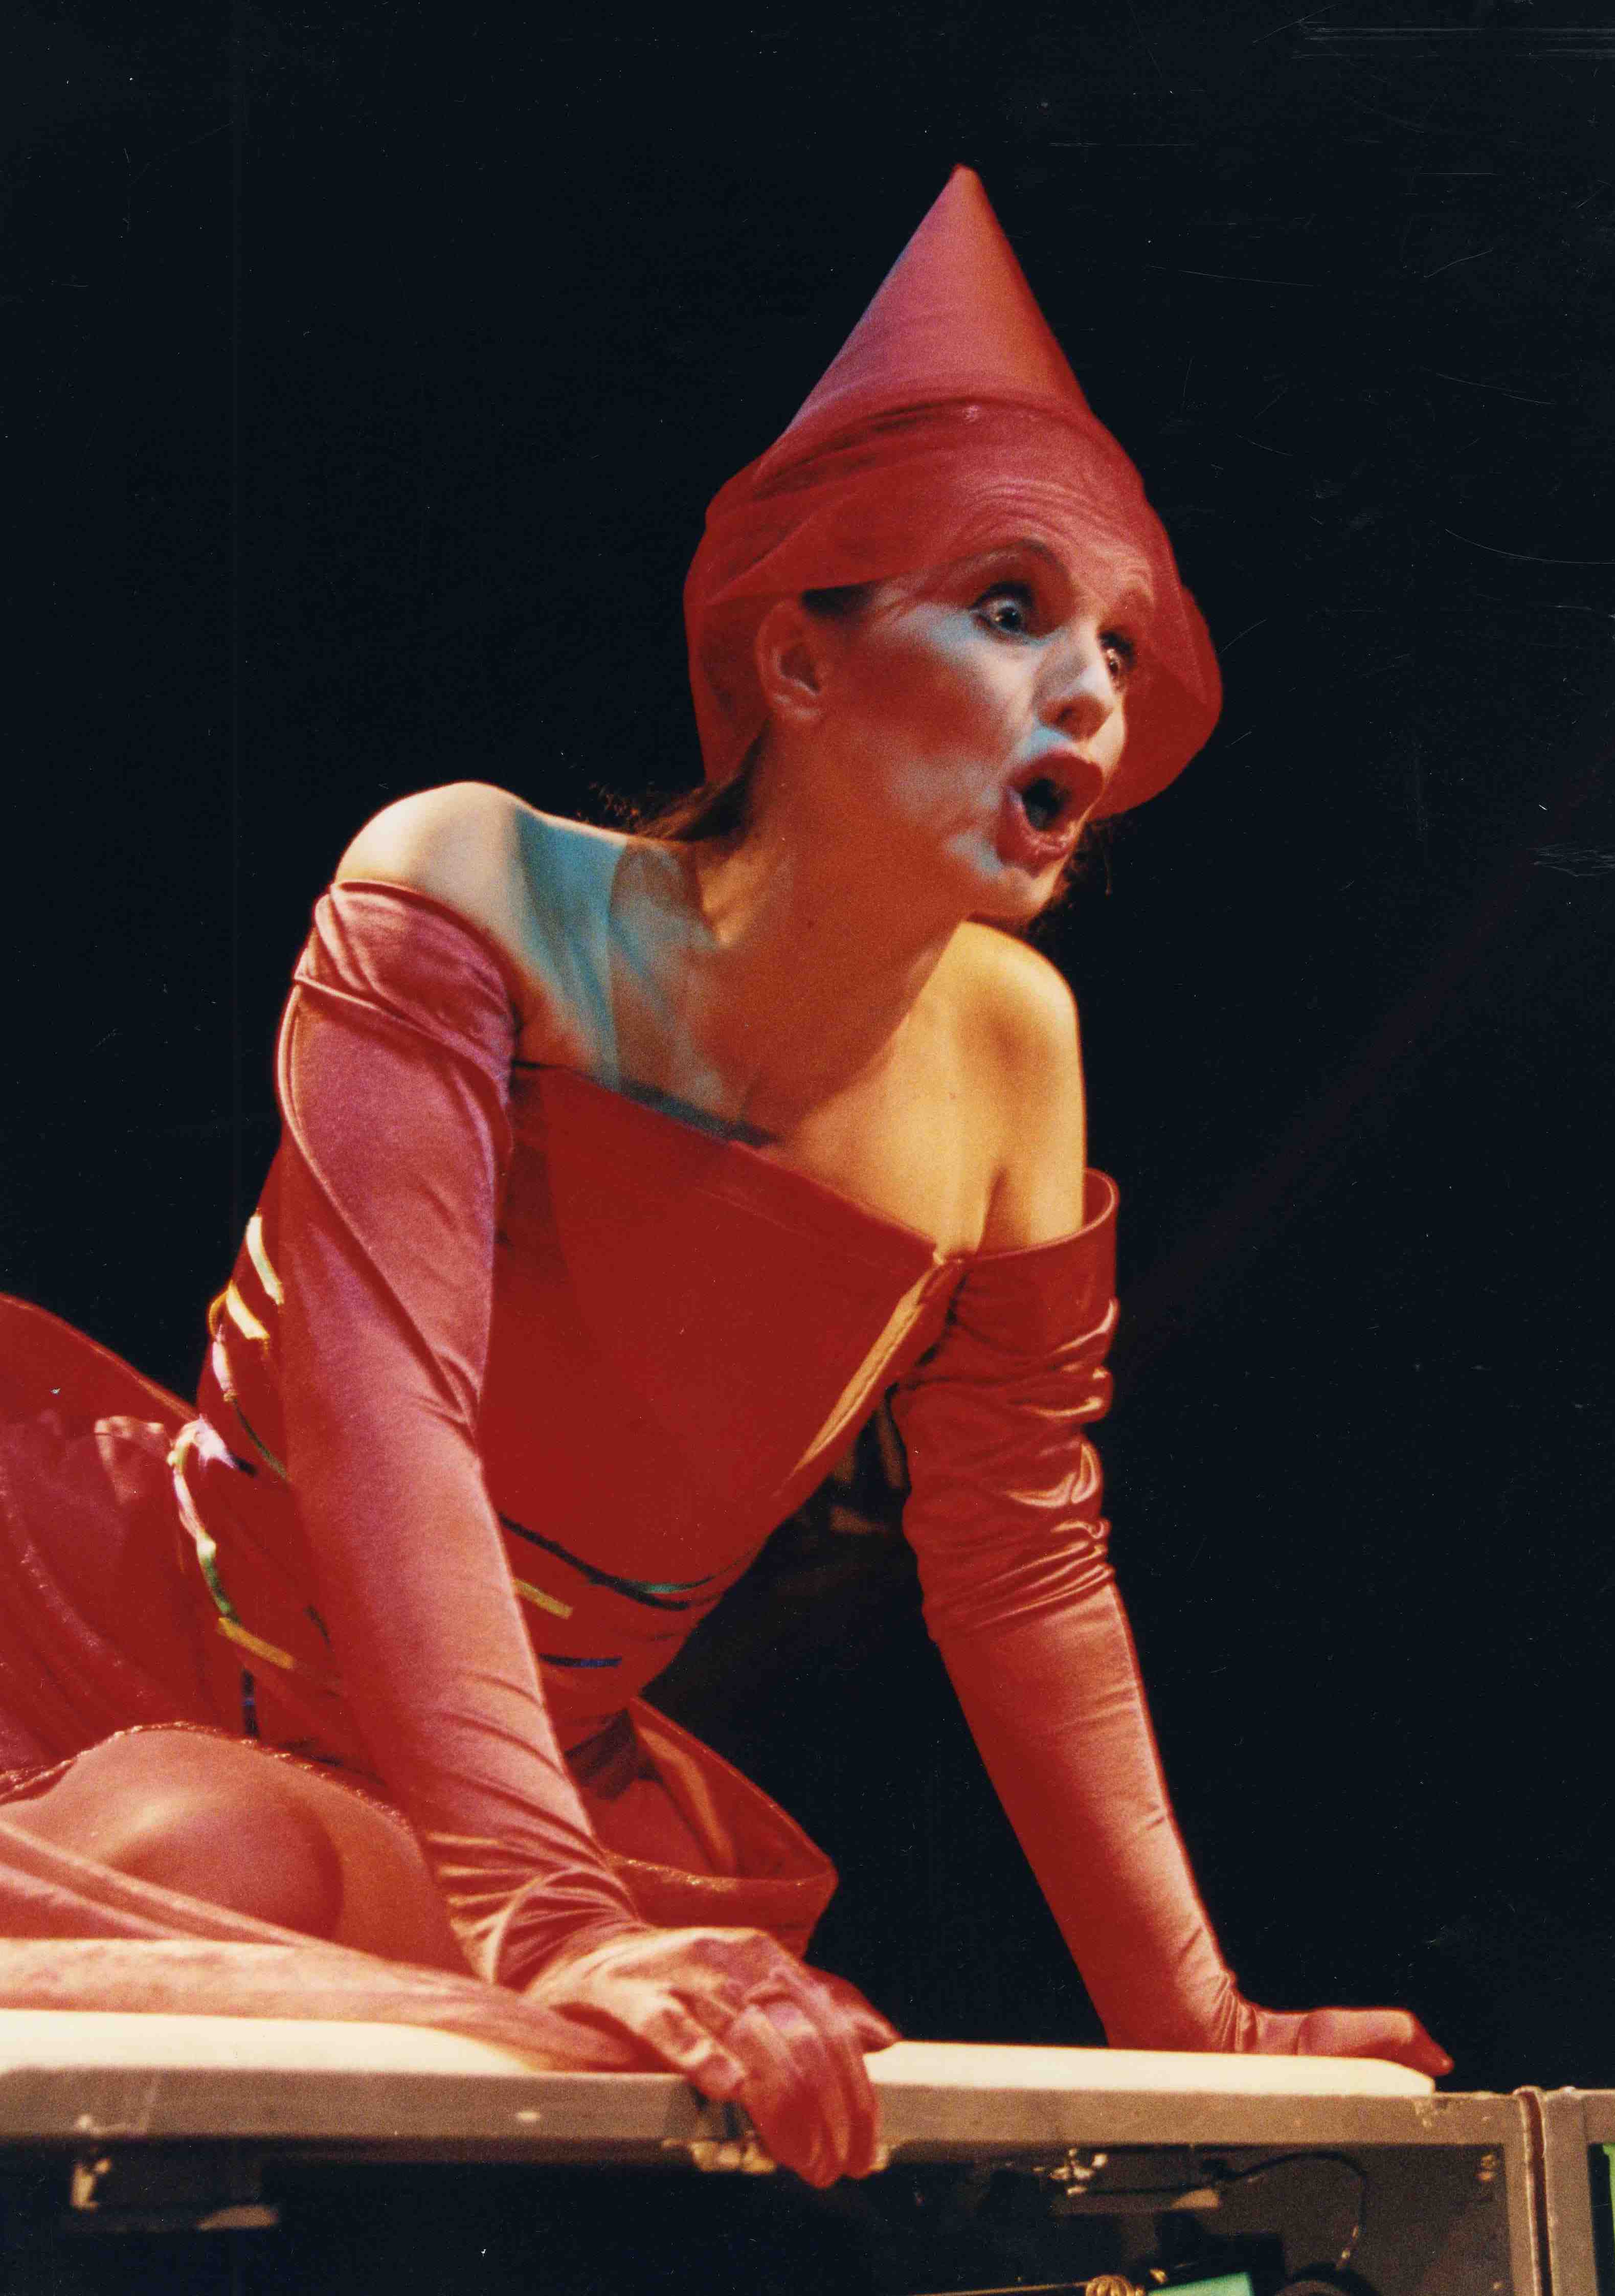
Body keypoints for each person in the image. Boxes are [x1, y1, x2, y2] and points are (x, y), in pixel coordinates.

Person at [0, 169, 1447, 2188]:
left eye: (1117, 642)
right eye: (1012, 606)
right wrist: (554, 1920)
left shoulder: (1018, 1052)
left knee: (380, 1951)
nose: (1095, 692)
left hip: (489, 1805)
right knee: (210, 1852)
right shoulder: (469, 889)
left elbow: (1021, 1562)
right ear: (797, 662)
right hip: (142, 1673)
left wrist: (1195, 2022)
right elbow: (388, 1411)